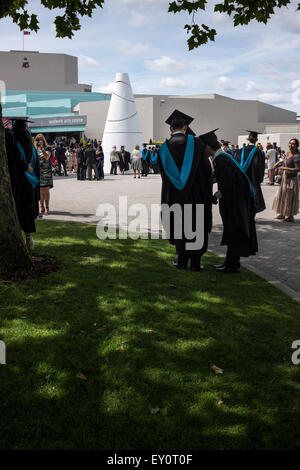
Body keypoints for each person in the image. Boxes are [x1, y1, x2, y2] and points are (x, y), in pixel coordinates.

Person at [158, 110, 213, 271]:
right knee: (196, 226)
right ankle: (195, 263)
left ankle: (181, 260)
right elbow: (205, 171)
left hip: (174, 195)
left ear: (171, 129)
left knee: (179, 226)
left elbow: (163, 175)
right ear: (185, 127)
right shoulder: (196, 143)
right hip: (195, 195)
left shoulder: (164, 148)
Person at [202, 129, 258, 273]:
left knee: (233, 231)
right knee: (233, 232)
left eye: (204, 148)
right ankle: (231, 262)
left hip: (234, 203)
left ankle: (231, 265)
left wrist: (215, 196)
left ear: (208, 146)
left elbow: (226, 185)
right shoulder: (224, 157)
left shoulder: (221, 160)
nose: (204, 151)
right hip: (237, 200)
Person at [6, 117, 40, 250]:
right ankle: (28, 237)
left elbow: (14, 158)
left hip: (16, 180)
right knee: (26, 210)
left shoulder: (10, 139)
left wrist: (24, 167)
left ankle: (18, 238)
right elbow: (35, 164)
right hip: (28, 181)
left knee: (16, 208)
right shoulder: (30, 144)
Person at [234, 130, 266, 214]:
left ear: (248, 139)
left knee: (243, 196)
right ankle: (251, 215)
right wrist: (259, 178)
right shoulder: (258, 152)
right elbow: (259, 167)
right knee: (252, 197)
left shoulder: (240, 150)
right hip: (253, 179)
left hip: (242, 178)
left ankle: (243, 213)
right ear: (256, 140)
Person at [272, 138, 300, 222]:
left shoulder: (297, 156)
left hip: (291, 179)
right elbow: (286, 160)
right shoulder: (288, 153)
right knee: (282, 195)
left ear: (297, 146)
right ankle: (282, 214)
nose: (291, 145)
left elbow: (298, 169)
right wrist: (279, 163)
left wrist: (284, 168)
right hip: (285, 177)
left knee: (289, 197)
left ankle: (290, 216)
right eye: (290, 143)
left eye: (293, 144)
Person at [34, 133, 53, 216]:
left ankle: (47, 207)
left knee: (46, 191)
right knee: (40, 191)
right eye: (37, 140)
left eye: (40, 139)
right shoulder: (34, 149)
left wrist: (42, 149)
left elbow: (47, 157)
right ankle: (41, 207)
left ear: (43, 140)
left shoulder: (47, 148)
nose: (39, 141)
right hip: (38, 172)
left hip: (46, 172)